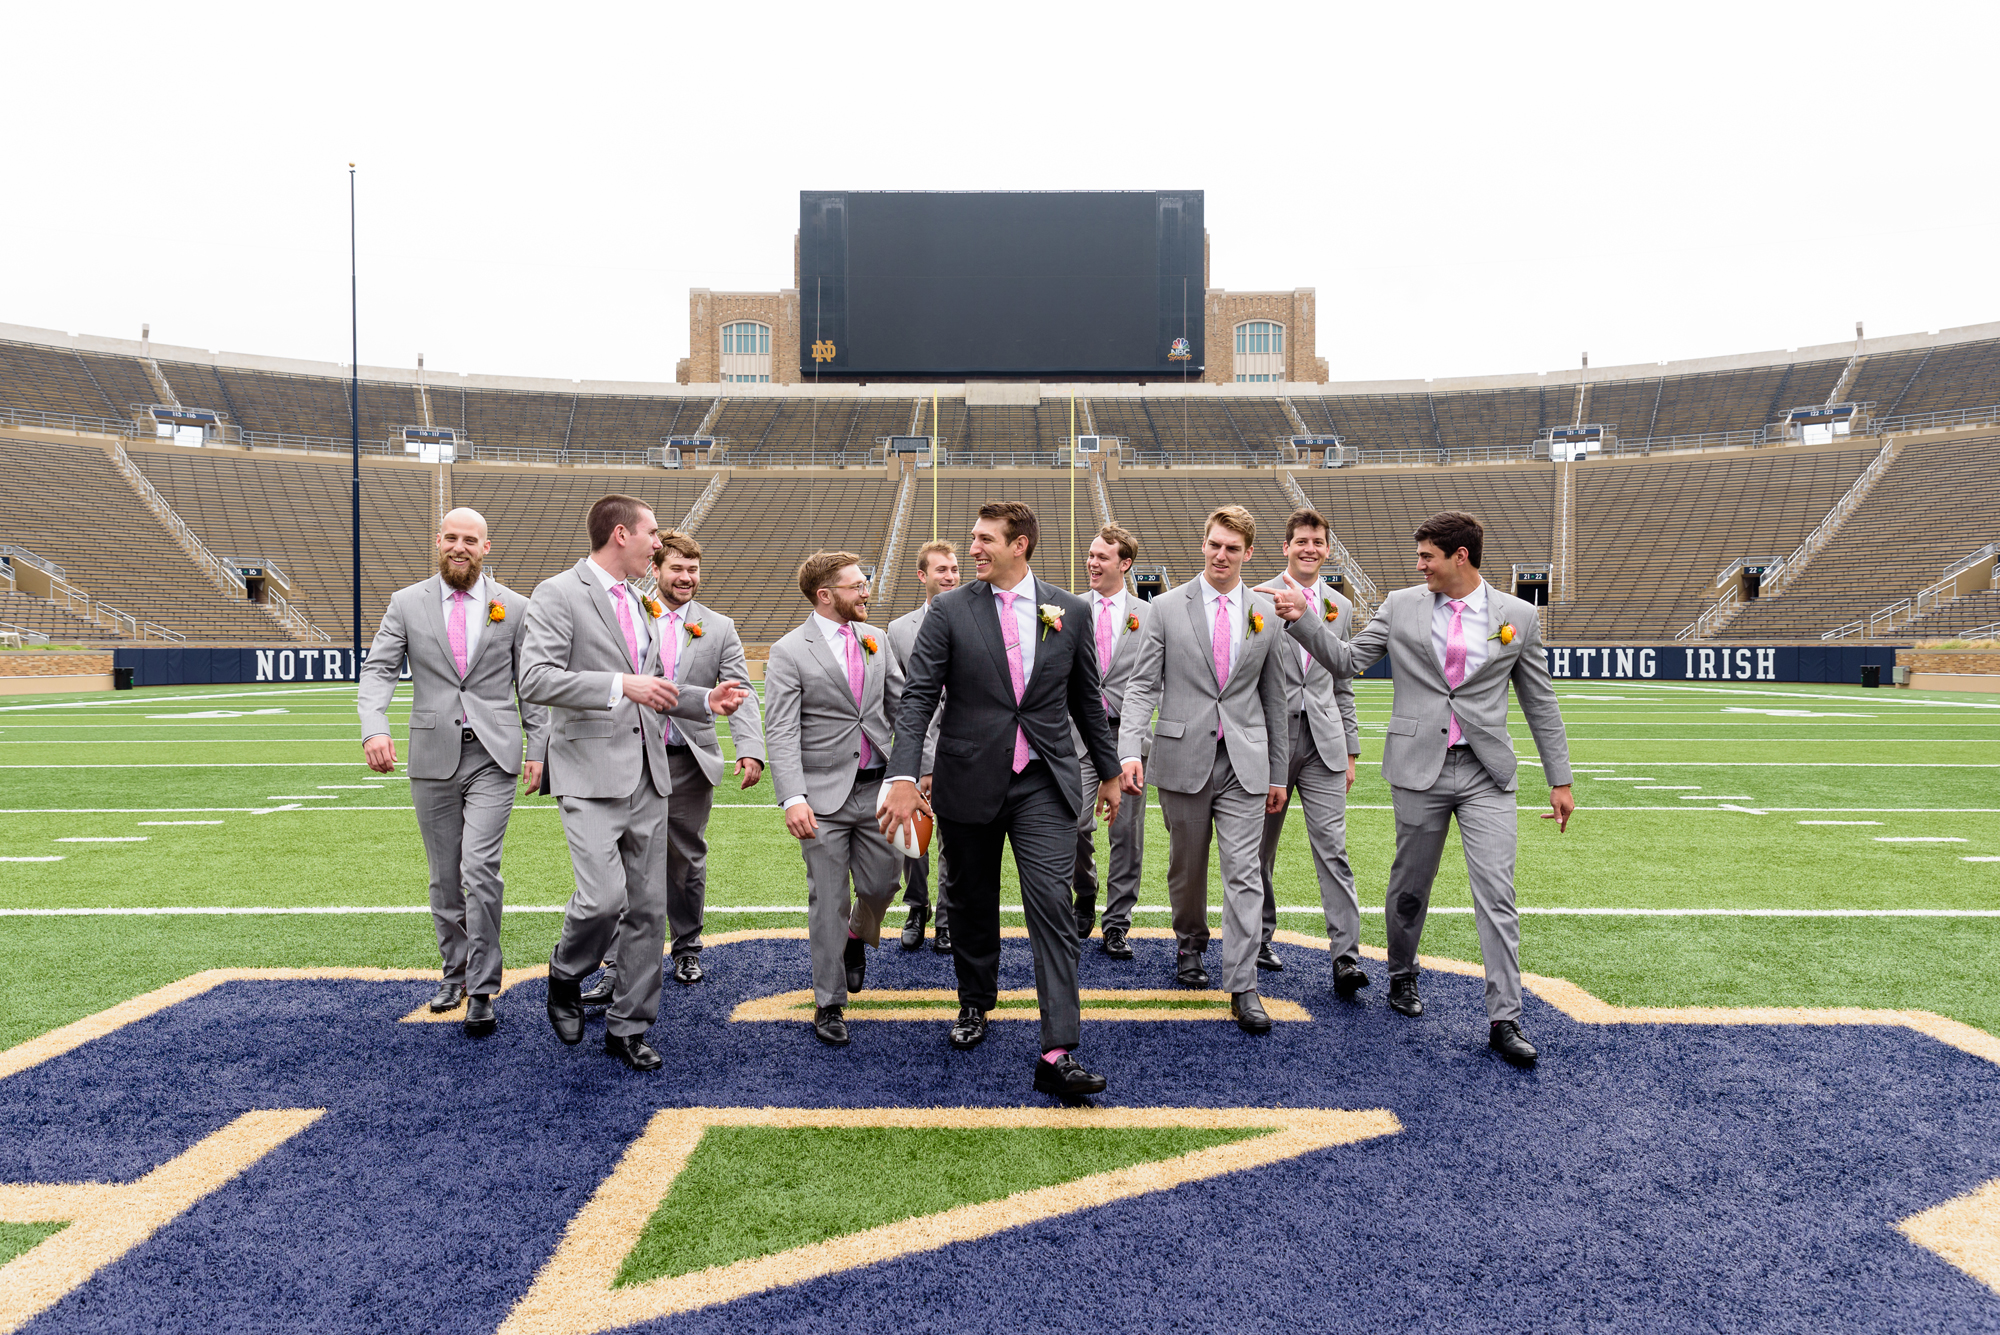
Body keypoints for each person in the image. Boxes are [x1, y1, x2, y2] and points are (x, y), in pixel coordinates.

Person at [1274, 510, 1574, 1067]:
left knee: (1497, 894)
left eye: (1427, 557)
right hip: (1419, 769)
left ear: (1460, 557)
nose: (1420, 567)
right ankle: (1401, 972)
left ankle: (1504, 1018)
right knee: (1410, 887)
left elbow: (1540, 700)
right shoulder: (1400, 605)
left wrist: (1560, 778)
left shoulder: (1519, 616)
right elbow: (1346, 662)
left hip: (1488, 772)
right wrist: (1300, 620)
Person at [880, 502, 1122, 1100]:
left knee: (1051, 905)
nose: (974, 550)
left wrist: (1110, 773)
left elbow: (1086, 699)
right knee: (969, 900)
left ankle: (1058, 1048)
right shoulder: (949, 610)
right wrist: (906, 775)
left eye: (986, 539)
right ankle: (974, 1001)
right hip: (968, 777)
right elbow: (917, 700)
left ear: (1021, 545)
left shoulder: (1069, 609)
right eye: (972, 539)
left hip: (1044, 778)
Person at [518, 495, 750, 1071]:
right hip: (592, 773)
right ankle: (567, 971)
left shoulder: (643, 603)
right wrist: (622, 684)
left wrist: (703, 699)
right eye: (651, 532)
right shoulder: (558, 593)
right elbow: (537, 678)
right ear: (621, 535)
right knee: (602, 900)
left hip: (651, 774)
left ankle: (629, 1025)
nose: (658, 542)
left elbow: (656, 687)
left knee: (648, 910)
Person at [357, 508, 547, 1037]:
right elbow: (378, 670)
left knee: (479, 871)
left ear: (487, 547)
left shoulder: (514, 606)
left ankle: (484, 987)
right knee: (445, 878)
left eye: (471, 540)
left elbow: (530, 682)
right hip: (432, 755)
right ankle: (454, 972)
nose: (460, 547)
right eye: (451, 538)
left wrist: (541, 745)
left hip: (494, 755)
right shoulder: (406, 602)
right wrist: (374, 728)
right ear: (438, 542)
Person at [1116, 505, 1289, 1034]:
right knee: (1187, 869)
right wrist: (1129, 750)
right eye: (1214, 544)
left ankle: (1242, 985)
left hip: (1245, 761)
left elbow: (1274, 697)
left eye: (1232, 548)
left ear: (1249, 553)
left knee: (1244, 871)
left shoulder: (1267, 610)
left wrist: (1279, 772)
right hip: (1182, 756)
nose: (1221, 555)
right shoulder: (1165, 607)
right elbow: (1143, 684)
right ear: (1204, 544)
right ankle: (1189, 943)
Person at [579, 531, 766, 1005]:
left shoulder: (719, 627)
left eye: (693, 570)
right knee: (623, 863)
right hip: (630, 757)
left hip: (687, 761)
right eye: (677, 569)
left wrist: (750, 748)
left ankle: (686, 946)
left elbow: (739, 690)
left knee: (684, 861)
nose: (687, 578)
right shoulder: (628, 612)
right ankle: (616, 963)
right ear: (655, 570)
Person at [764, 551, 905, 1048]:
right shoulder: (788, 651)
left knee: (887, 881)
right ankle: (828, 1003)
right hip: (820, 798)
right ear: (826, 596)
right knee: (827, 900)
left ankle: (854, 937)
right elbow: (780, 731)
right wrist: (792, 798)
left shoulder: (876, 639)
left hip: (879, 789)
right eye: (857, 585)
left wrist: (915, 772)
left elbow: (902, 708)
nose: (867, 592)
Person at [1252, 509, 1364, 988]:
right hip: (1270, 741)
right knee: (1259, 849)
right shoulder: (1255, 597)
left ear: (1327, 548)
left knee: (1333, 849)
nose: (1309, 549)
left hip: (1324, 742)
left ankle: (1346, 957)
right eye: (1301, 541)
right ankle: (1257, 938)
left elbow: (1342, 682)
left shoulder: (1339, 605)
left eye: (1317, 542)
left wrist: (1352, 749)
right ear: (1286, 546)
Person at [1071, 523, 1149, 961]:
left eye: (1102, 556)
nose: (1092, 562)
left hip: (1128, 737)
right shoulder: (1063, 608)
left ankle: (1117, 922)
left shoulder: (1149, 614)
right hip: (1077, 737)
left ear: (1125, 564)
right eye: (1090, 554)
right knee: (1077, 826)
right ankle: (1085, 890)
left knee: (1126, 835)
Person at [885, 539, 956, 954]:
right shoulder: (898, 630)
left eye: (953, 569)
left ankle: (947, 917)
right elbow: (904, 704)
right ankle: (917, 908)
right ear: (922, 575)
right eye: (941, 570)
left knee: (956, 841)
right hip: (919, 750)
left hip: (964, 751)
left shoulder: (974, 618)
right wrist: (921, 760)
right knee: (914, 836)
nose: (949, 576)